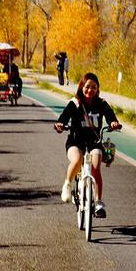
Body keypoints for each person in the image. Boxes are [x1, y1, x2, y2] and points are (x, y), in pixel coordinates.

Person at [53, 72, 121, 218]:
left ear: (97, 89)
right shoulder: (75, 103)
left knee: (96, 167)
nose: (90, 90)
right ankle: (67, 185)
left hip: (94, 143)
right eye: (87, 87)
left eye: (94, 87)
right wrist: (60, 124)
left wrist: (113, 123)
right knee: (77, 160)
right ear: (81, 87)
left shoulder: (101, 104)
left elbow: (110, 116)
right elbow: (63, 117)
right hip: (75, 141)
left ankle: (98, 202)